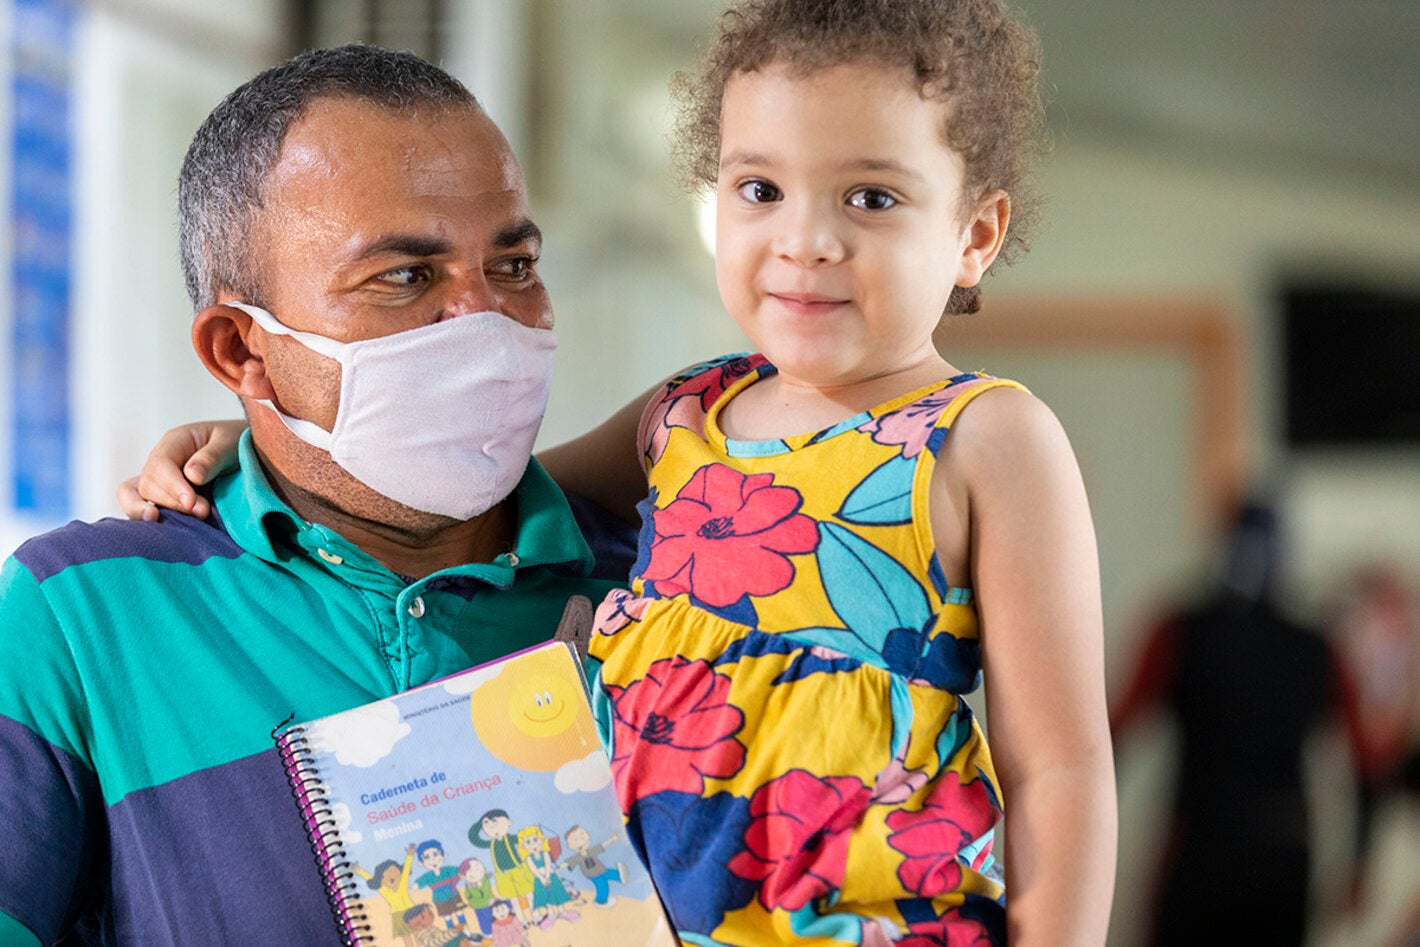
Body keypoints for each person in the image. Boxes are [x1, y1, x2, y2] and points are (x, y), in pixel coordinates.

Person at [127, 1, 1117, 943]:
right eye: (760, 190)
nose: (805, 241)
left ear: (975, 235)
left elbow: (1061, 771)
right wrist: (263, 431)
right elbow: (466, 493)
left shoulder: (988, 439)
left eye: (871, 197)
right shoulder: (686, 413)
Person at [0, 44, 627, 946]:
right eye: (405, 275)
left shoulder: (670, 587)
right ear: (241, 351)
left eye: (515, 264)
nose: (485, 317)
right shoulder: (82, 613)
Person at [1111, 499, 1369, 946]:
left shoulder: (1180, 631)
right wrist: (1359, 864)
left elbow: (1113, 736)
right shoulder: (1316, 648)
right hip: (1275, 854)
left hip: (1206, 850)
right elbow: (1367, 762)